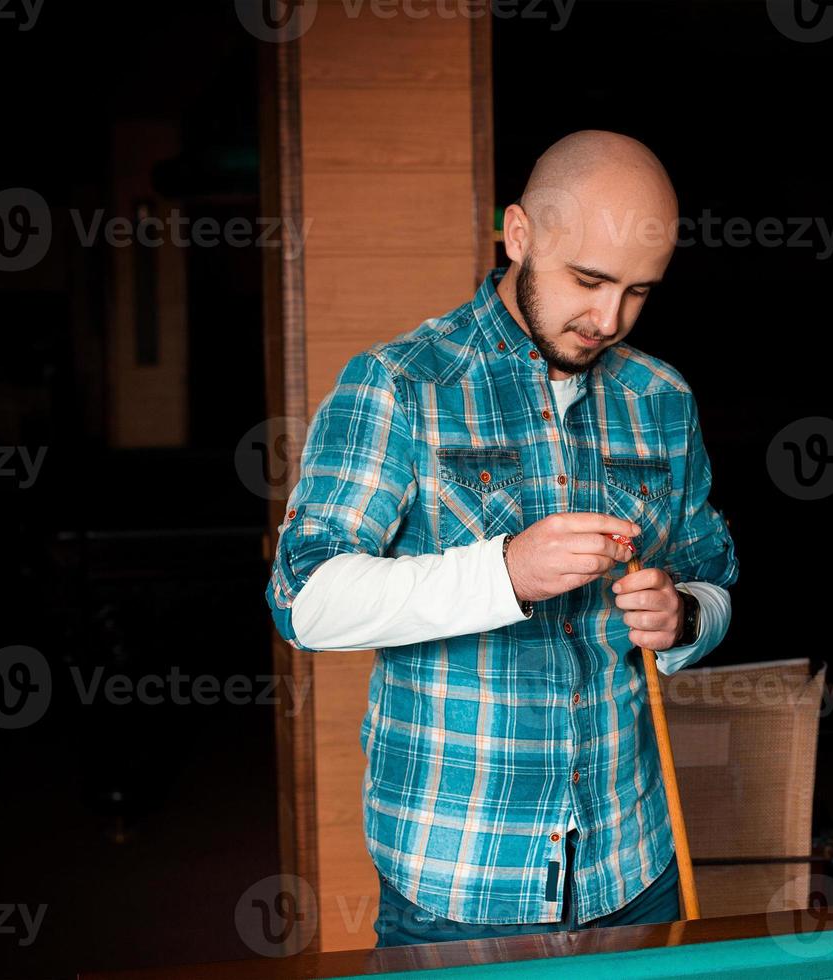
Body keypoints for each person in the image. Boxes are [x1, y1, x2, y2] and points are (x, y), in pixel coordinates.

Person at [265, 130, 739, 946]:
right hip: (459, 882)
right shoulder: (400, 382)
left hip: (635, 864)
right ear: (518, 236)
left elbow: (712, 577)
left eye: (638, 293)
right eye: (588, 280)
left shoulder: (661, 396)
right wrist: (506, 572)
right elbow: (303, 600)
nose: (608, 319)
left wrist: (686, 616)